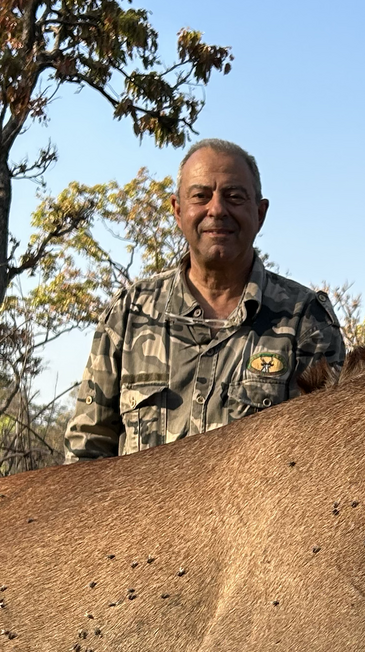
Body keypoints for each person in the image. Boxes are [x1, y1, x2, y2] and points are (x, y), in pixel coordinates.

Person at [65, 139, 345, 459]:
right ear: (177, 210)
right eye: (200, 196)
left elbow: (326, 457)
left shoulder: (306, 320)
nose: (217, 209)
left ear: (260, 213)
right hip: (137, 508)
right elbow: (86, 449)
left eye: (234, 197)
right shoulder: (129, 313)